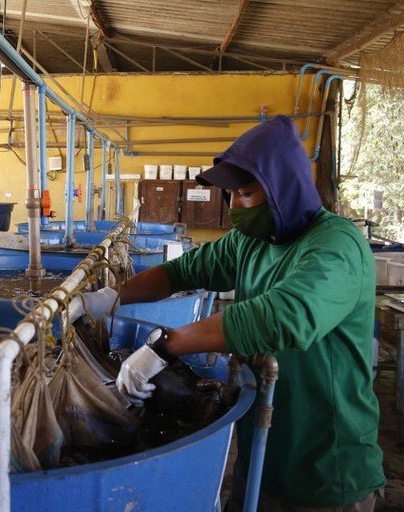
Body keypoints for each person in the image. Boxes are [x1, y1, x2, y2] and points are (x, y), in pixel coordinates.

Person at [69, 115, 386, 511]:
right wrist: (110, 297)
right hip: (261, 449)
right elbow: (183, 270)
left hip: (326, 470)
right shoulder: (252, 240)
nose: (234, 206)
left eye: (246, 195)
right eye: (230, 195)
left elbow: (282, 316)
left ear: (284, 191)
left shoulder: (336, 246)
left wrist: (165, 347)